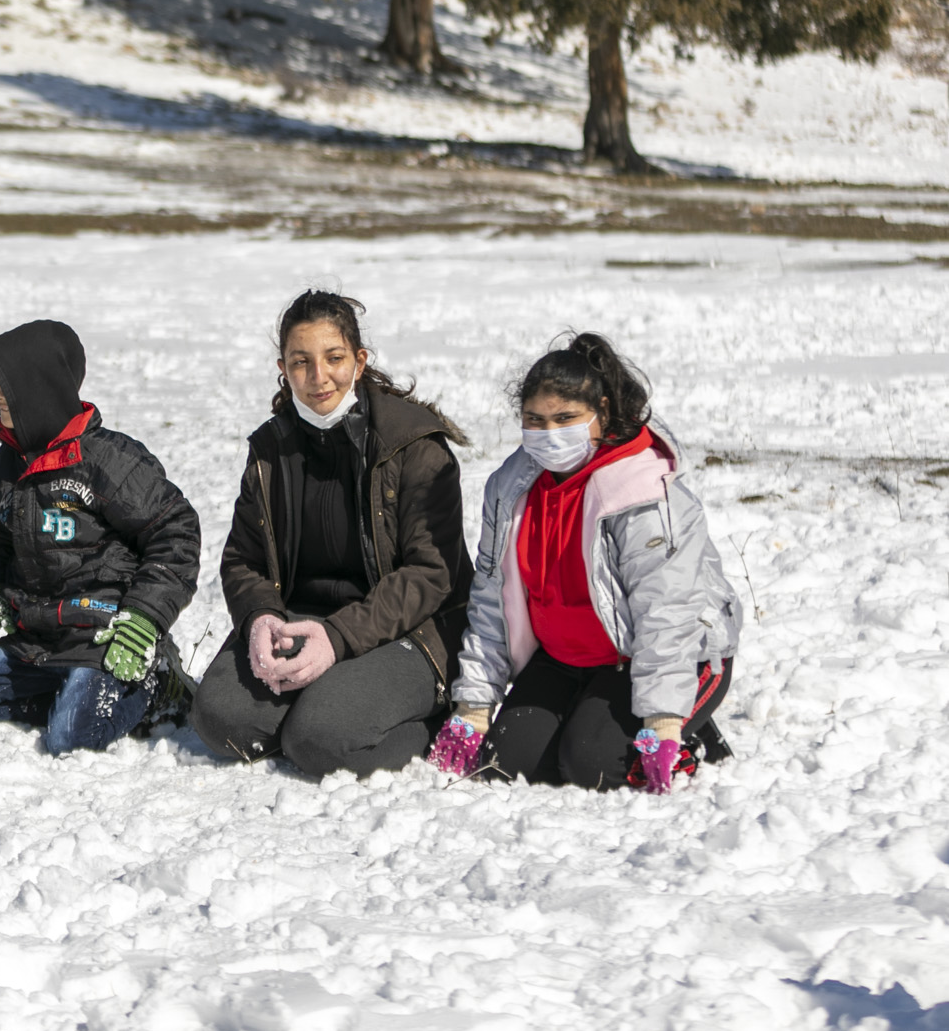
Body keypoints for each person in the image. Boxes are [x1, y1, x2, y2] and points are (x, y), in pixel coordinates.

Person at [430, 333, 741, 791]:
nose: (549, 434)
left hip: (663, 653)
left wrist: (663, 719)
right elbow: (492, 600)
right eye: (535, 421)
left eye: (565, 419)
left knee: (592, 766)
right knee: (504, 764)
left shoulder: (642, 492)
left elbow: (667, 611)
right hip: (567, 657)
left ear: (602, 412)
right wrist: (474, 707)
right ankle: (590, 717)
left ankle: (693, 733)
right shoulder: (510, 487)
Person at [191, 290, 470, 776]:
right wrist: (260, 616)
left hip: (409, 629)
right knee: (222, 722)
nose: (318, 377)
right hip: (304, 619)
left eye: (334, 358)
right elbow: (243, 558)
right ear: (283, 368)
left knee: (320, 741)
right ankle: (325, 699)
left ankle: (425, 718)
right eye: (301, 362)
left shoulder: (414, 447)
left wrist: (338, 638)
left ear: (359, 362)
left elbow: (430, 574)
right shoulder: (271, 447)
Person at [0, 320, 201, 753]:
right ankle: (66, 696)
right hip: (37, 635)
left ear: (44, 387)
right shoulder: (5, 466)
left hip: (105, 632)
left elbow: (176, 532)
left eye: (9, 384)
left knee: (70, 739)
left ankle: (157, 685)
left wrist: (144, 617)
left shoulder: (109, 460)